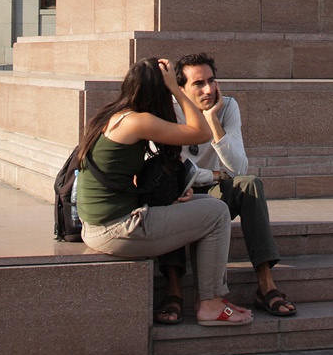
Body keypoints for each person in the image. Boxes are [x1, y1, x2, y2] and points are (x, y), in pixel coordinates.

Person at [75, 55, 253, 326]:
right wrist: (178, 91)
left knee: (194, 206)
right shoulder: (138, 121)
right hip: (117, 230)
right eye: (167, 89)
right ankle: (210, 303)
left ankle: (208, 298)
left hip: (97, 226)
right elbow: (201, 132)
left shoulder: (112, 116)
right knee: (217, 212)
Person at [155, 52, 296, 324]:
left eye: (212, 80)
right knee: (168, 194)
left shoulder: (227, 107)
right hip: (180, 193)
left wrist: (212, 120)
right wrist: (213, 175)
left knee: (250, 185)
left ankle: (265, 284)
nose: (209, 90)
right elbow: (171, 171)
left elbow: (238, 169)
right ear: (180, 89)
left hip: (212, 192)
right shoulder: (167, 112)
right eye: (198, 84)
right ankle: (173, 289)